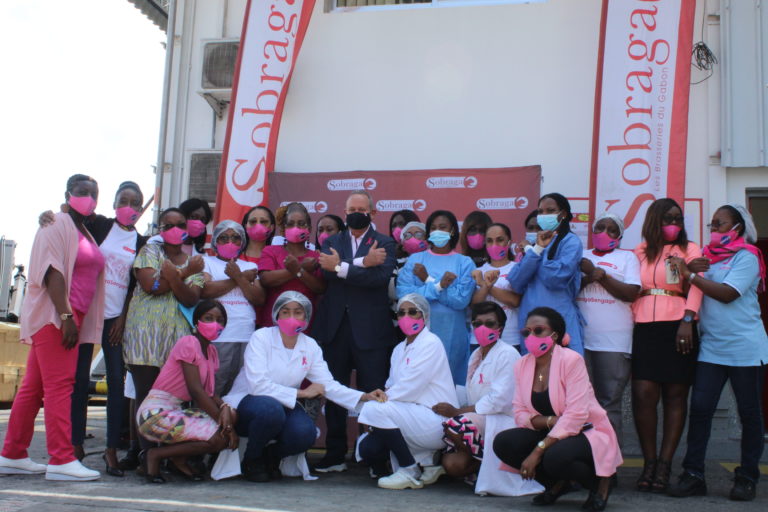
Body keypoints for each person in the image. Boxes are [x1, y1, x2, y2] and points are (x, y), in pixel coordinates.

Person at [37, 181, 149, 475]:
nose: (128, 206)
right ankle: (75, 445)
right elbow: (68, 216)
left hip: (114, 319)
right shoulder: (99, 226)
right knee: (78, 380)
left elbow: (134, 286)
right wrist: (47, 215)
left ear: (140, 209)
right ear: (113, 203)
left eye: (134, 203)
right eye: (123, 200)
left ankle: (111, 450)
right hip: (87, 312)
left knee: (116, 383)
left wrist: (123, 318)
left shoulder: (142, 242)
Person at [0, 174, 104, 481]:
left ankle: (12, 454)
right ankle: (61, 459)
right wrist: (66, 316)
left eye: (94, 193)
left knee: (33, 388)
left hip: (68, 316)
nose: (89, 197)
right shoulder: (57, 223)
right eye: (82, 191)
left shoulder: (83, 228)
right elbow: (52, 271)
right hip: (56, 316)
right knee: (61, 386)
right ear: (68, 193)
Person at [223, 291, 385, 482]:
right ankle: (252, 459)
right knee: (270, 409)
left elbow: (327, 385)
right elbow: (258, 386)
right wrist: (302, 393)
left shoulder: (310, 345)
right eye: (285, 312)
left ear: (306, 316)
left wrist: (364, 396)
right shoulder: (261, 337)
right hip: (250, 403)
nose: (291, 317)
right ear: (276, 315)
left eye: (298, 312)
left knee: (305, 434)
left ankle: (271, 457)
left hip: (284, 405)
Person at [667, 204, 767, 501]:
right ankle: (693, 474)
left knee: (749, 413)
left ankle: (747, 476)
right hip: (712, 347)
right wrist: (684, 270)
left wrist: (691, 275)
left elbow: (727, 294)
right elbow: (690, 288)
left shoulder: (747, 256)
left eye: (720, 224)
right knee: (700, 409)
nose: (713, 229)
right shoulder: (706, 257)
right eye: (711, 224)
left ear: (738, 228)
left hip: (745, 348)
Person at [493, 307, 622, 511]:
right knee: (504, 442)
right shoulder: (522, 365)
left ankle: (600, 483)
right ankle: (558, 484)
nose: (531, 336)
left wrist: (538, 450)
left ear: (554, 335)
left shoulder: (571, 360)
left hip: (586, 431)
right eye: (527, 332)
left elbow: (576, 415)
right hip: (551, 430)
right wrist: (551, 421)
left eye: (538, 330)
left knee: (555, 456)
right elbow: (519, 411)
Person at [312, 190, 397, 472]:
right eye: (351, 210)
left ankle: (375, 456)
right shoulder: (332, 241)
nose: (356, 214)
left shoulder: (385, 242)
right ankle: (335, 454)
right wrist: (362, 263)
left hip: (371, 330)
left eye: (362, 209)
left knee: (374, 392)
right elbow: (327, 272)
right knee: (335, 391)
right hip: (335, 329)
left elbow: (379, 278)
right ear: (345, 213)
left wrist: (343, 267)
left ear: (373, 213)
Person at [630, 198, 703, 493]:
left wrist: (688, 319)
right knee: (643, 394)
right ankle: (649, 461)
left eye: (678, 219)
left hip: (679, 326)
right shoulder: (640, 251)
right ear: (654, 220)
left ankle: (664, 464)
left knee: (675, 395)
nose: (674, 224)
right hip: (645, 327)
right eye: (668, 218)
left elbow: (696, 285)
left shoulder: (690, 249)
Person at [433, 302, 541, 496]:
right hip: (481, 417)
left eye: (489, 323)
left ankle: (487, 466)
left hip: (503, 419)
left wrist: (457, 412)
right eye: (477, 323)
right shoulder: (476, 354)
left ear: (501, 328)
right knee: (452, 464)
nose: (483, 328)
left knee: (457, 424)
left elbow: (499, 400)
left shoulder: (508, 354)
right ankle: (481, 466)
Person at [123, 207, 205, 451]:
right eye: (168, 226)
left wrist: (176, 275)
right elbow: (152, 285)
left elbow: (190, 298)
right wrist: (184, 274)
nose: (175, 230)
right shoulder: (150, 251)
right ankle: (145, 454)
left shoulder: (194, 262)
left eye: (180, 225)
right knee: (145, 395)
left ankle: (167, 455)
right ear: (160, 230)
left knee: (172, 399)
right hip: (144, 337)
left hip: (177, 340)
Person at [358, 294, 458, 490]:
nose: (406, 317)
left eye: (413, 312)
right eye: (401, 313)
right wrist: (384, 400)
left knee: (374, 410)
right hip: (410, 415)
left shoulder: (431, 342)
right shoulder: (398, 349)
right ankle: (429, 463)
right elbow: (391, 386)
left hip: (434, 418)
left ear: (425, 315)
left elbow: (411, 386)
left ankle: (409, 470)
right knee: (368, 448)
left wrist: (381, 402)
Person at [137, 300, 238, 483]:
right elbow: (196, 391)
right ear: (197, 321)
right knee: (219, 439)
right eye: (208, 318)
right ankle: (155, 454)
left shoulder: (211, 351)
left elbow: (209, 393)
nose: (214, 323)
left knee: (232, 415)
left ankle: (178, 459)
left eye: (219, 320)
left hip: (175, 410)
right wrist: (227, 428)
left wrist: (226, 409)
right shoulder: (189, 342)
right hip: (155, 414)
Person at [576, 212, 640, 445]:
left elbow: (631, 293)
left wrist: (600, 276)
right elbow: (565, 289)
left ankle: (609, 461)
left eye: (612, 230)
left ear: (620, 236)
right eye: (600, 228)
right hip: (580, 341)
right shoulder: (580, 256)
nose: (604, 233)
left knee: (608, 403)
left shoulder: (628, 258)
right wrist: (588, 276)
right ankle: (583, 458)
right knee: (579, 404)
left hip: (614, 343)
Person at [398, 210, 483, 384]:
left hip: (453, 335)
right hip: (418, 333)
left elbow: (460, 301)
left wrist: (427, 280)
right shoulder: (415, 260)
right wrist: (439, 286)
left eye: (443, 227)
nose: (437, 231)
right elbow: (405, 296)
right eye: (433, 227)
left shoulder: (464, 263)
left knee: (449, 385)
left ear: (452, 231)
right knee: (417, 383)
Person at [506, 193, 584, 355]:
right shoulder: (536, 244)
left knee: (564, 366)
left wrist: (535, 253)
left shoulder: (571, 242)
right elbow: (515, 282)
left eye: (550, 210)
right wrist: (537, 249)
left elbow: (555, 278)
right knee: (532, 367)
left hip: (559, 317)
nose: (544, 215)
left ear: (563, 214)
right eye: (541, 211)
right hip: (531, 318)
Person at [202, 220, 265, 396]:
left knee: (241, 390)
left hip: (246, 334)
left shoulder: (250, 267)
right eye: (223, 238)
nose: (230, 242)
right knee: (214, 387)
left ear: (242, 242)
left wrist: (238, 276)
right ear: (215, 241)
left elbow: (259, 298)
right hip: (219, 335)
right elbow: (205, 291)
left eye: (236, 238)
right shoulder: (206, 262)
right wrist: (239, 278)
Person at [259, 202, 325, 328]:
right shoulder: (270, 251)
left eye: (301, 223)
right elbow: (266, 279)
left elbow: (320, 288)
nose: (296, 227)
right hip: (273, 323)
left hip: (306, 324)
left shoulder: (317, 257)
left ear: (310, 229)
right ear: (284, 229)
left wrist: (297, 269)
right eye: (290, 224)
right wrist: (300, 269)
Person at [470, 223, 522, 349]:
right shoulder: (478, 270)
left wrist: (486, 285)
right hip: (479, 338)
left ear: (509, 242)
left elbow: (515, 301)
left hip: (510, 337)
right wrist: (485, 286)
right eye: (489, 241)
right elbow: (474, 305)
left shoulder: (517, 268)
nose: (494, 245)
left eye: (500, 240)